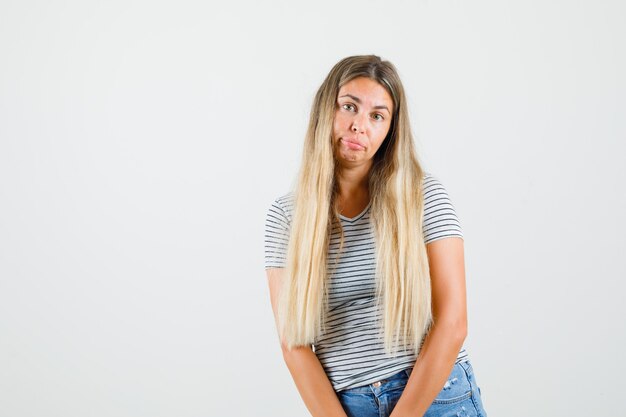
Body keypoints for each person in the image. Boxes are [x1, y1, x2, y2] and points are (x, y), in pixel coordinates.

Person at [264, 55, 487, 417]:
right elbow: (294, 345)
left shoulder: (424, 196)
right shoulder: (286, 217)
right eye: (349, 107)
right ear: (325, 111)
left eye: (377, 116)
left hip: (435, 396)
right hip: (348, 405)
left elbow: (453, 322)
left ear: (390, 131)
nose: (358, 126)